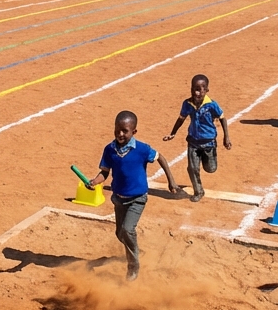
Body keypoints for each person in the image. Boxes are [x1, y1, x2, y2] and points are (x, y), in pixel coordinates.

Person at [85, 111, 181, 281]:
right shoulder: (109, 150)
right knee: (120, 234)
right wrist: (95, 181)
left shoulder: (142, 149)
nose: (120, 134)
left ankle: (133, 265)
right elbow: (104, 173)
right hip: (118, 198)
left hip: (137, 199)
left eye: (125, 131)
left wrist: (171, 181)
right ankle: (137, 251)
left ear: (133, 132)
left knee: (128, 230)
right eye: (117, 130)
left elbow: (161, 158)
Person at [164, 74, 231, 203]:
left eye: (201, 89)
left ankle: (209, 159)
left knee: (211, 168)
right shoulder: (187, 104)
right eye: (195, 89)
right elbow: (181, 119)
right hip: (193, 141)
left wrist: (226, 137)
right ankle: (198, 191)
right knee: (192, 168)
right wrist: (173, 133)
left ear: (206, 91)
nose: (198, 92)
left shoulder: (211, 105)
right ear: (191, 89)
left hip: (209, 141)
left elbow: (222, 118)